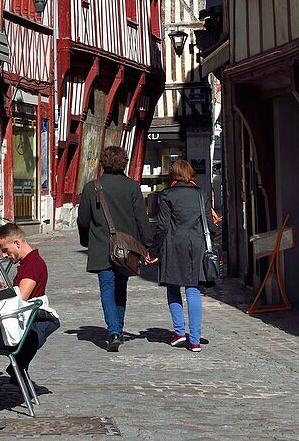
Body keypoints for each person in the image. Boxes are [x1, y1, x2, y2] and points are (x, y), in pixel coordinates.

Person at [77, 144, 151, 352]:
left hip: (102, 246)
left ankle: (114, 331)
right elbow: (141, 220)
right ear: (124, 162)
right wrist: (146, 245)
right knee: (121, 288)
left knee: (107, 288)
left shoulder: (92, 187)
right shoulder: (132, 187)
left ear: (103, 162)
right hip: (126, 248)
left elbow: (83, 219)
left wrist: (87, 241)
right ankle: (117, 327)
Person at [146, 158, 209, 351]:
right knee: (193, 288)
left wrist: (153, 250)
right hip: (196, 245)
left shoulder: (167, 195)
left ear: (173, 175)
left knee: (173, 287)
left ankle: (179, 332)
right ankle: (196, 340)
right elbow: (209, 224)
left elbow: (163, 225)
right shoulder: (200, 194)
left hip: (173, 245)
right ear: (190, 174)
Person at [0, 221, 60, 380]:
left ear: (17, 243)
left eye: (5, 249)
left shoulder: (33, 264)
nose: (4, 255)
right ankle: (19, 368)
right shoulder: (27, 263)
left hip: (24, 318)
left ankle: (18, 366)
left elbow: (21, 297)